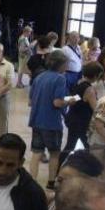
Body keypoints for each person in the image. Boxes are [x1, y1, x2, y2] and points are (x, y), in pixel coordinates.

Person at [28, 50, 69, 189]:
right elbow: (57, 102)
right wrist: (69, 102)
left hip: (36, 120)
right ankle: (51, 182)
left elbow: (30, 101)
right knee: (54, 153)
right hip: (51, 122)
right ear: (61, 65)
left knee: (36, 152)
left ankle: (31, 181)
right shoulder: (60, 79)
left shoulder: (39, 77)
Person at [63, 61, 102, 153]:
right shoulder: (89, 90)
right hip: (82, 122)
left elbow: (74, 99)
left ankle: (59, 166)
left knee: (70, 146)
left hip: (73, 119)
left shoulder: (79, 83)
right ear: (96, 75)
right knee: (88, 147)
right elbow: (96, 109)